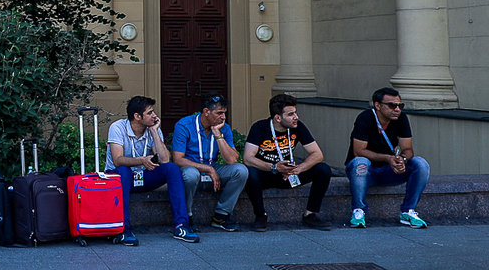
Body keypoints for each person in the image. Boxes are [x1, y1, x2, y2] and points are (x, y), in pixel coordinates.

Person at [105, 95, 198, 245]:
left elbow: (165, 159)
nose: (154, 116)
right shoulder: (117, 127)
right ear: (137, 116)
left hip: (142, 177)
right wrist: (141, 160)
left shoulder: (152, 128)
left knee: (171, 168)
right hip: (120, 179)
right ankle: (123, 230)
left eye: (153, 112)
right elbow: (117, 160)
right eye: (149, 113)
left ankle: (181, 226)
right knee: (122, 170)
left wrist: (155, 132)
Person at [243, 93, 332, 231]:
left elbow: (317, 154)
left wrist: (300, 168)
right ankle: (260, 216)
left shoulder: (297, 126)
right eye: (291, 114)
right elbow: (248, 158)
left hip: (290, 174)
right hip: (268, 173)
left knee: (323, 169)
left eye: (295, 113)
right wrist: (274, 167)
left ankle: (310, 214)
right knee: (250, 173)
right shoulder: (260, 127)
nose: (296, 117)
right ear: (278, 118)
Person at [345, 87, 430, 229]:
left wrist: (401, 160)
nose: (397, 109)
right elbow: (358, 151)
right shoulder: (365, 118)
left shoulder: (401, 118)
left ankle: (408, 211)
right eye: (392, 105)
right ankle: (358, 211)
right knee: (361, 163)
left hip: (389, 171)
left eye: (400, 105)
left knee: (420, 164)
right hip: (364, 172)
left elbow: (408, 149)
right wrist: (388, 158)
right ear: (378, 105)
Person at [171, 94, 248, 231]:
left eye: (224, 113)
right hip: (192, 168)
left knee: (241, 171)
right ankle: (186, 217)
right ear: (206, 112)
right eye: (219, 113)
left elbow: (232, 159)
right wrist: (208, 169)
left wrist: (218, 134)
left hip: (214, 167)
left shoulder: (223, 128)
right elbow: (178, 159)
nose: (223, 117)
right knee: (190, 174)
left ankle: (221, 216)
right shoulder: (184, 125)